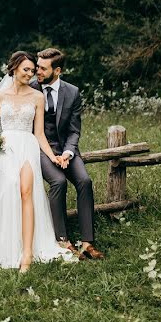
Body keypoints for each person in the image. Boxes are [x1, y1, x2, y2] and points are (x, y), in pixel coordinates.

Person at [0, 51, 75, 271]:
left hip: (27, 147)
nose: (30, 74)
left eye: (33, 71)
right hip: (5, 149)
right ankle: (8, 245)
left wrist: (53, 156)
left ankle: (27, 253)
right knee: (9, 192)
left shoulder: (37, 97)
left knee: (26, 192)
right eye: (26, 69)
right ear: (14, 68)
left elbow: (40, 133)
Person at [33, 47, 105, 260]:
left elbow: (74, 130)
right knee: (58, 182)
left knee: (84, 181)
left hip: (65, 149)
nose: (38, 71)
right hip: (40, 149)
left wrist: (67, 153)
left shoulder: (72, 92)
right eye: (37, 66)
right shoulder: (30, 88)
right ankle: (62, 240)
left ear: (57, 71)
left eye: (43, 68)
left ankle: (87, 242)